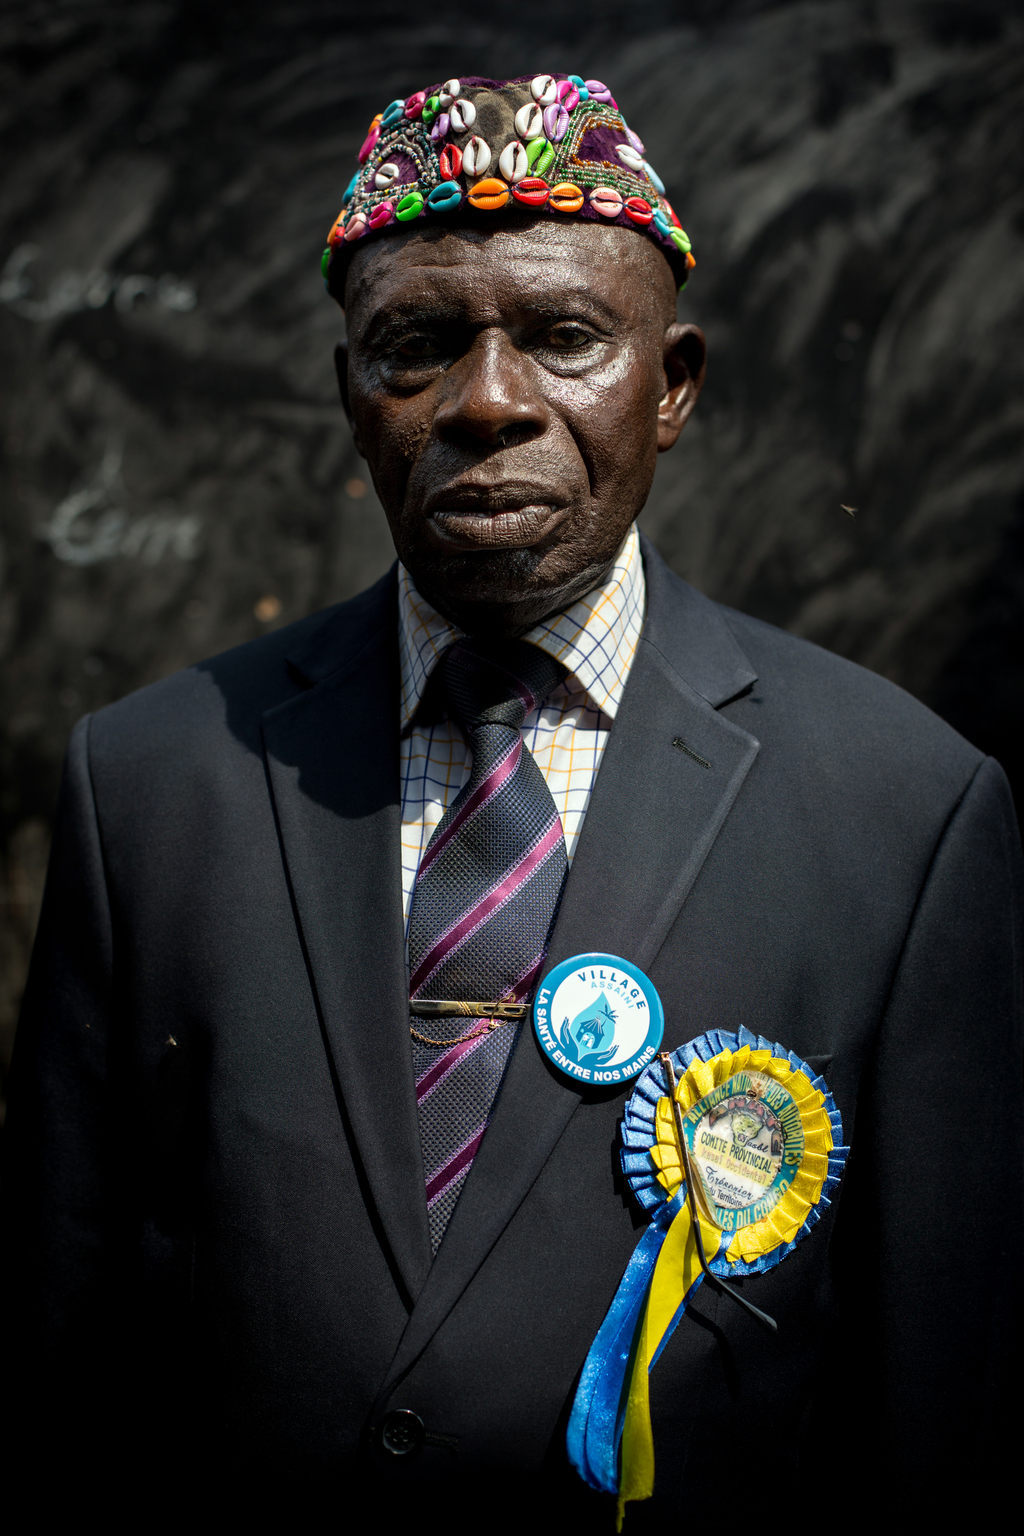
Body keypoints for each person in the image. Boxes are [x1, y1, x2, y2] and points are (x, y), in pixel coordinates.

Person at [3, 71, 1021, 1529]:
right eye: (417, 344)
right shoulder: (151, 786)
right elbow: (61, 1342)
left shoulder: (906, 815)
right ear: (351, 389)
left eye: (561, 336)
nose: (488, 400)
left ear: (671, 387)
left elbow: (940, 1412)